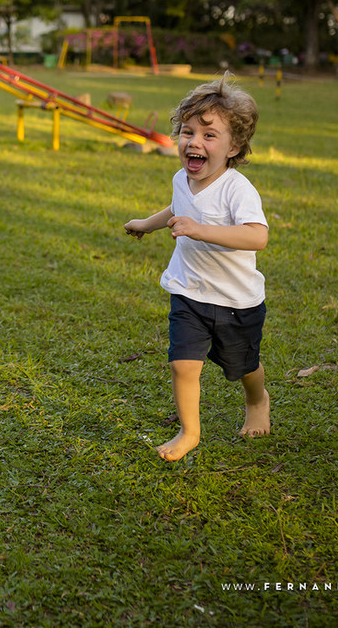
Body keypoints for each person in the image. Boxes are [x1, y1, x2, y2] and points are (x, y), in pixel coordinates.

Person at [124, 76, 269, 462]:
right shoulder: (181, 179)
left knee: (243, 366)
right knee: (182, 364)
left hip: (236, 300)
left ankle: (258, 400)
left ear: (233, 146)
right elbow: (178, 210)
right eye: (187, 132)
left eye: (209, 135)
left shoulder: (238, 190)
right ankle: (190, 432)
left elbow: (257, 237)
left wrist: (201, 230)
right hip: (188, 291)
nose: (194, 142)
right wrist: (146, 223)